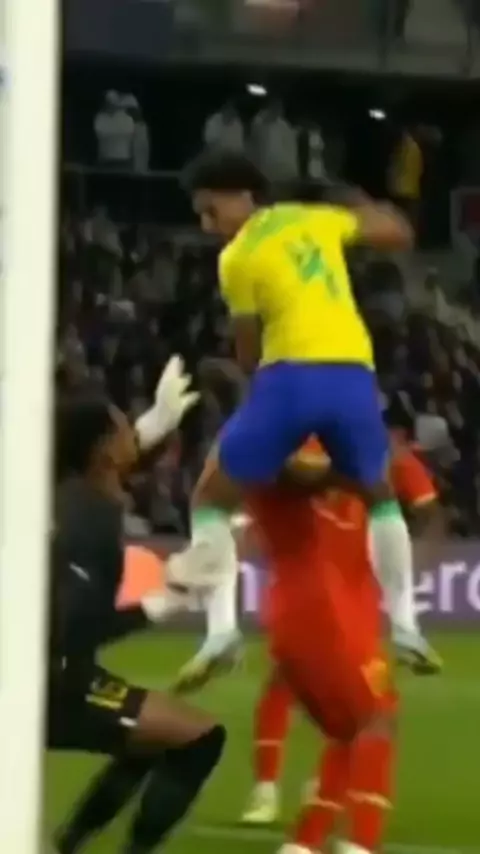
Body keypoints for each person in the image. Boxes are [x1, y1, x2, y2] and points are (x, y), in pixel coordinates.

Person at [180, 150, 418, 666]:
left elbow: (248, 354)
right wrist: (343, 194)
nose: (208, 226)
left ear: (242, 196)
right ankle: (406, 627)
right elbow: (397, 231)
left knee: (209, 499)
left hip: (289, 377)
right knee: (381, 496)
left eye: (211, 211)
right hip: (354, 372)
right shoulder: (314, 218)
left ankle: (220, 632)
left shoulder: (237, 257)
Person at [48, 357, 227, 854]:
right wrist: (163, 601)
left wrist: (156, 422)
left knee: (152, 736)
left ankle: (69, 843)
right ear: (103, 451)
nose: (135, 432)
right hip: (53, 683)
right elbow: (73, 627)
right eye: (125, 426)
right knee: (199, 738)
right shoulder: (87, 521)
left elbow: (114, 455)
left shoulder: (80, 495)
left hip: (59, 672)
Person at [241, 434, 442, 830]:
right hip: (312, 583)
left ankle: (313, 818)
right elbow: (288, 480)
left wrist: (402, 555)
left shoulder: (384, 447)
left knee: (362, 706)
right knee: (294, 683)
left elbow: (428, 508)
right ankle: (273, 790)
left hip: (357, 594)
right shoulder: (303, 438)